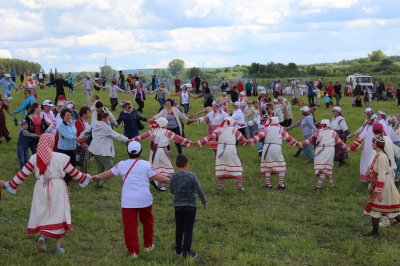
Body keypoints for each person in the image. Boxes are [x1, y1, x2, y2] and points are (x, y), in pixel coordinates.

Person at [0, 133, 92, 254]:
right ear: (52, 143)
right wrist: (87, 178)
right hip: (57, 187)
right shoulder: (60, 157)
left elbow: (22, 174)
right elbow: (74, 172)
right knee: (59, 212)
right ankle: (58, 247)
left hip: (41, 187)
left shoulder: (35, 158)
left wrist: (9, 184)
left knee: (43, 211)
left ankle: (42, 236)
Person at [91, 141, 170, 258]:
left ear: (127, 152)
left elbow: (107, 174)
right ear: (141, 151)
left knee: (130, 226)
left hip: (128, 202)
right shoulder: (146, 164)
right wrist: (175, 180)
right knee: (147, 222)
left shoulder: (122, 164)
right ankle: (148, 246)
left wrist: (96, 177)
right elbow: (160, 178)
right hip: (145, 200)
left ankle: (133, 252)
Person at [134, 117, 192, 191]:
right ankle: (165, 183)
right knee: (168, 167)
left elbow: (143, 136)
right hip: (161, 151)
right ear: (164, 124)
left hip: (153, 152)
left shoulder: (153, 130)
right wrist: (190, 143)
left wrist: (133, 140)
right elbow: (178, 138)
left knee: (158, 167)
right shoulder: (167, 132)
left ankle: (160, 184)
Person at [79, 111, 131, 189]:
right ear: (103, 118)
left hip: (94, 149)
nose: (108, 118)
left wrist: (81, 137)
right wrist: (127, 139)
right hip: (101, 150)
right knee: (109, 165)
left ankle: (99, 184)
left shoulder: (94, 123)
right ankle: (102, 183)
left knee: (101, 168)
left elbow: (86, 130)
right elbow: (116, 135)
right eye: (107, 117)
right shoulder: (105, 127)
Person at [193, 117, 247, 190]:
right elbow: (242, 139)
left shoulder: (219, 130)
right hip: (231, 150)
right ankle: (240, 186)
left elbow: (209, 137)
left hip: (221, 150)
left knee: (222, 167)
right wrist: (247, 142)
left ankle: (219, 186)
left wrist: (199, 142)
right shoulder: (234, 130)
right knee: (236, 165)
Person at [170, 154, 207, 259]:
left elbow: (172, 191)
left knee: (179, 228)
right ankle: (186, 253)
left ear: (176, 165)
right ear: (187, 164)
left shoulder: (173, 176)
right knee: (188, 230)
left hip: (178, 206)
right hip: (190, 206)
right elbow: (199, 190)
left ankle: (178, 249)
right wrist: (204, 201)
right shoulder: (192, 176)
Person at [363, 135, 400, 237]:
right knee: (376, 209)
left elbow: (382, 174)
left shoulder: (382, 157)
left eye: (373, 143)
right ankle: (375, 232)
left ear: (376, 144)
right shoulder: (379, 155)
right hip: (380, 184)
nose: (372, 144)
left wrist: (379, 191)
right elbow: (376, 168)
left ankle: (375, 232)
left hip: (383, 185)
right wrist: (370, 171)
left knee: (388, 210)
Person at [298, 119, 350, 189]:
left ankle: (331, 184)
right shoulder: (333, 133)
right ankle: (318, 186)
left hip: (319, 150)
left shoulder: (318, 132)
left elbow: (309, 140)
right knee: (326, 168)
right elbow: (340, 142)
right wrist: (348, 149)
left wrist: (299, 144)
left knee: (326, 168)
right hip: (329, 150)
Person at [247, 117, 298, 189]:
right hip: (276, 147)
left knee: (267, 165)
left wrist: (251, 140)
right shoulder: (280, 130)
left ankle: (268, 184)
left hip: (266, 148)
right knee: (282, 165)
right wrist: (296, 143)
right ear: (277, 123)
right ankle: (280, 184)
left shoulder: (266, 129)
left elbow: (259, 136)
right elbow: (288, 138)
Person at [350, 114, 379, 182]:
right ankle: (374, 180)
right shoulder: (379, 128)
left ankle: (368, 180)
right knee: (375, 163)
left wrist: (351, 148)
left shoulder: (367, 128)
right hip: (376, 150)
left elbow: (359, 139)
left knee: (367, 163)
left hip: (367, 149)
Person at [57, 108, 80, 186]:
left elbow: (74, 134)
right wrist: (75, 138)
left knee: (73, 164)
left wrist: (78, 144)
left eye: (70, 115)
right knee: (64, 166)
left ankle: (66, 178)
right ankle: (64, 180)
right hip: (63, 149)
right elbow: (67, 135)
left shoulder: (72, 124)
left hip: (72, 148)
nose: (69, 117)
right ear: (63, 116)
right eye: (67, 115)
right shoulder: (61, 126)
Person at [75, 106, 91, 174]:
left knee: (86, 159)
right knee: (83, 160)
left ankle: (83, 174)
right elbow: (79, 133)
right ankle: (83, 175)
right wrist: (83, 142)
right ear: (83, 114)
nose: (89, 114)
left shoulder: (86, 122)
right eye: (87, 113)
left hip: (87, 143)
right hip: (82, 144)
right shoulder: (79, 122)